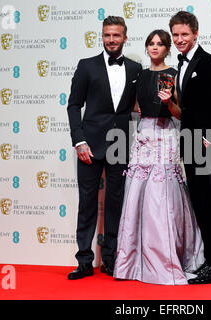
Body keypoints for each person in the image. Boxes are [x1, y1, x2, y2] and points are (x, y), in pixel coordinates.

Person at [113, 30, 205, 285]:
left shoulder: (175, 76)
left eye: (160, 44)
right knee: (137, 195)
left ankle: (165, 259)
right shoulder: (139, 75)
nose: (155, 47)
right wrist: (141, 107)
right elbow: (132, 105)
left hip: (165, 136)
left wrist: (168, 103)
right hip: (143, 136)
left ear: (167, 49)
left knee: (161, 196)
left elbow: (180, 113)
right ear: (146, 47)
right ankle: (131, 264)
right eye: (151, 43)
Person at [66, 16, 142, 280]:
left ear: (124, 37)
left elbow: (134, 105)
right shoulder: (86, 66)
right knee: (86, 203)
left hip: (120, 144)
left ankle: (110, 260)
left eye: (116, 35)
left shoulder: (135, 68)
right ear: (102, 36)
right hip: (89, 145)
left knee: (115, 204)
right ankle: (85, 261)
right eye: (107, 35)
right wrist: (79, 141)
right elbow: (74, 105)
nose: (111, 39)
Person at [169, 11, 211, 284]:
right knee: (200, 202)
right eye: (175, 35)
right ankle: (209, 262)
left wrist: (207, 138)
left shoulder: (207, 63)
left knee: (210, 201)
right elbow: (190, 109)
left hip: (203, 143)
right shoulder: (181, 65)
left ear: (196, 33)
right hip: (190, 142)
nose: (180, 39)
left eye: (184, 34)